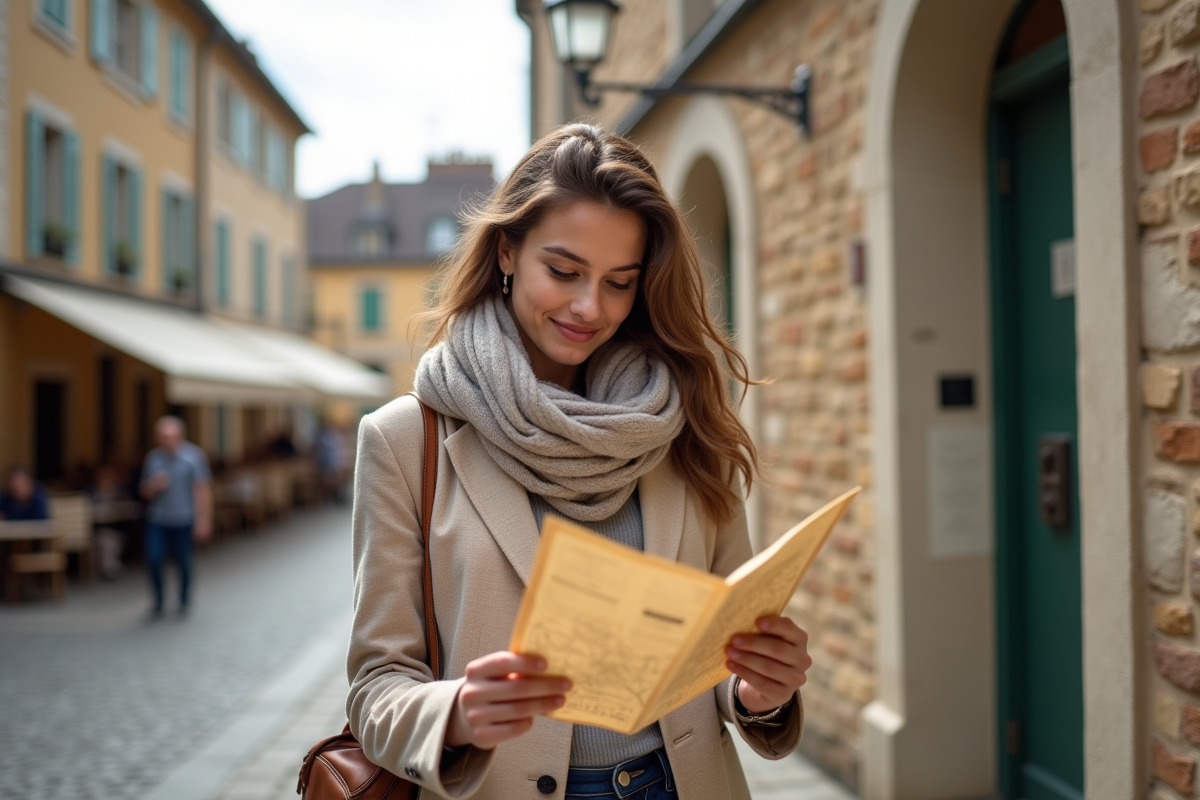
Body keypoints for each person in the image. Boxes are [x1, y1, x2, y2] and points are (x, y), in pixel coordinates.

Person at [347, 124, 811, 800]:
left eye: (619, 282)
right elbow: (375, 687)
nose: (590, 307)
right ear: (506, 252)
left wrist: (756, 690)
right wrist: (454, 714)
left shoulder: (678, 421)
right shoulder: (403, 440)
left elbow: (718, 651)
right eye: (563, 271)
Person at [139, 416, 211, 618]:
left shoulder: (194, 456)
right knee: (153, 558)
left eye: (170, 436)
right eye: (163, 437)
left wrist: (203, 518)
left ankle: (184, 600)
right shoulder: (153, 458)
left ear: (180, 436)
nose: (167, 440)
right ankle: (158, 600)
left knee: (183, 561)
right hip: (158, 518)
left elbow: (202, 489)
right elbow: (144, 491)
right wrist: (153, 485)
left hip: (184, 517)